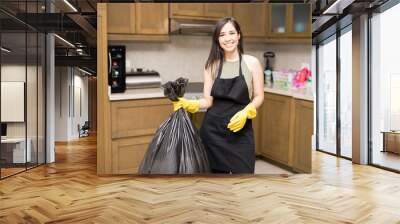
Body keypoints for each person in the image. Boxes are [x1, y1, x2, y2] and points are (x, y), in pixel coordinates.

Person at [173, 17, 264, 174]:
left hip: (241, 131)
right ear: (217, 39)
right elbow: (208, 101)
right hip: (213, 132)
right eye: (222, 34)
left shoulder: (252, 63)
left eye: (231, 33)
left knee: (244, 177)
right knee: (213, 182)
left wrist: (246, 112)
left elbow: (259, 96)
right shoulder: (211, 65)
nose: (227, 38)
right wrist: (190, 103)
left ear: (239, 35)